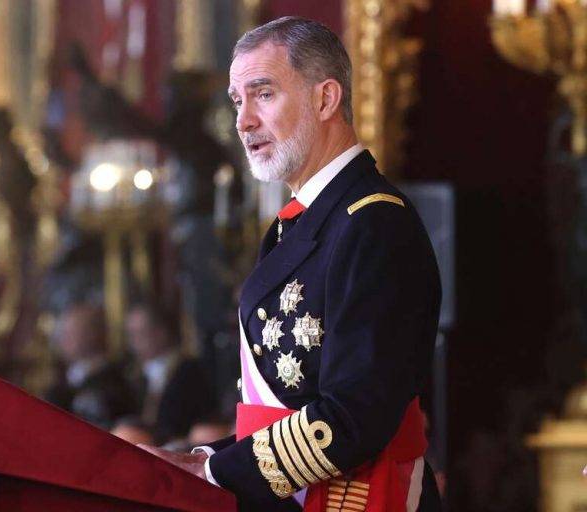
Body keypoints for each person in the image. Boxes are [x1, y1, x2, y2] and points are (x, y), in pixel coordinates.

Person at [141, 16, 442, 512]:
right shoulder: (297, 225)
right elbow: (283, 409)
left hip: (360, 497)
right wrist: (198, 459)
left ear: (325, 99)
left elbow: (354, 415)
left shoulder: (373, 223)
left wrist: (215, 470)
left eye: (263, 94)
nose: (242, 122)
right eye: (237, 101)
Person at [117, 300, 218, 445]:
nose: (134, 342)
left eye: (140, 333)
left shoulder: (188, 371)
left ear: (161, 332)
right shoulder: (132, 376)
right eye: (131, 334)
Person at [46, 302, 138, 429]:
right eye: (63, 333)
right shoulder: (63, 379)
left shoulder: (115, 383)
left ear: (92, 334)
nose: (63, 339)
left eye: (71, 332)